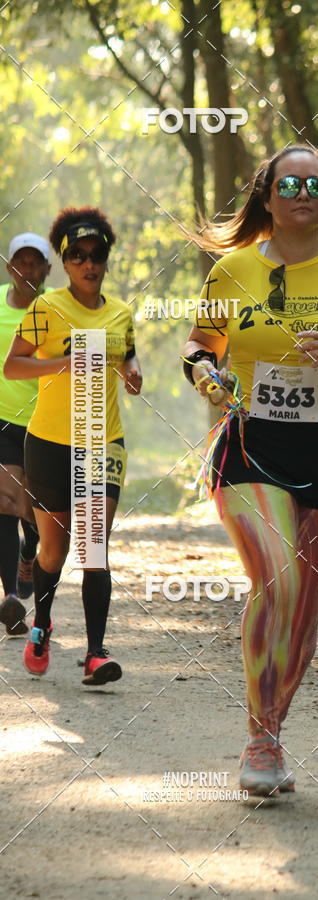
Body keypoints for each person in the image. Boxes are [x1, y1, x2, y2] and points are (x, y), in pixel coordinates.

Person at [183, 144, 318, 796]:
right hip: (252, 445)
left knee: (303, 613)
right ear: (269, 197)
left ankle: (272, 734)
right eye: (290, 183)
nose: (303, 192)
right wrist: (205, 373)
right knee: (275, 578)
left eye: (315, 183)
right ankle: (257, 736)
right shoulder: (231, 272)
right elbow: (201, 344)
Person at [4, 207, 143, 683]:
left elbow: (126, 354)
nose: (88, 264)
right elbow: (13, 366)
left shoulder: (121, 312)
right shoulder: (47, 309)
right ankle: (41, 622)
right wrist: (59, 366)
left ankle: (97, 653)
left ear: (106, 259)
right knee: (52, 552)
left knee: (94, 547)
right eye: (78, 256)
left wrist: (131, 373)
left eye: (96, 255)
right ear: (64, 262)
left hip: (101, 441)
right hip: (48, 444)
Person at [0, 233, 50, 636]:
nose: (27, 271)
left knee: (34, 511)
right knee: (5, 499)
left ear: (48, 270)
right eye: (21, 263)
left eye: (35, 264)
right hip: (2, 421)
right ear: (9, 267)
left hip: (45, 424)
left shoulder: (57, 311)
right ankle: (12, 598)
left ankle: (28, 553)